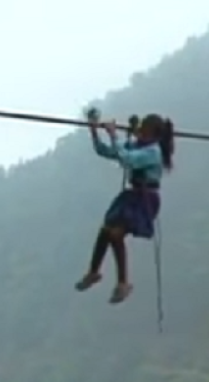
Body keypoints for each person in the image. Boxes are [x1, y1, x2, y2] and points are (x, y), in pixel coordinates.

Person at [74, 110, 175, 304]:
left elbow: (127, 158)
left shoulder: (153, 152)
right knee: (105, 230)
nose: (140, 134)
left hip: (145, 198)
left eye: (143, 132)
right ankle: (93, 272)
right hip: (131, 196)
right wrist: (95, 131)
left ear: (153, 134)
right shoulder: (139, 145)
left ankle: (123, 283)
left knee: (116, 234)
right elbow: (108, 151)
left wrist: (113, 135)